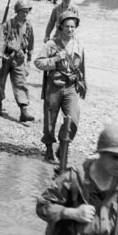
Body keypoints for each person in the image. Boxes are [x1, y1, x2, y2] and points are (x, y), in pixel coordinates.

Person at [34, 10, 86, 163]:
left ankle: (63, 146)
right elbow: (38, 63)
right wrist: (55, 59)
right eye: (67, 26)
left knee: (74, 119)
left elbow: (82, 66)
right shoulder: (51, 45)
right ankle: (49, 150)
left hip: (71, 87)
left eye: (73, 27)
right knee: (50, 119)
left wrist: (83, 83)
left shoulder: (79, 45)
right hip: (54, 85)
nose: (70, 30)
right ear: (61, 27)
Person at [0, 0, 35, 122]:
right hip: (6, 57)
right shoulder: (8, 24)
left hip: (19, 59)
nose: (25, 14)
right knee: (1, 81)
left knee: (21, 82)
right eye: (22, 11)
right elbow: (0, 41)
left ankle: (23, 110)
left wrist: (29, 62)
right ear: (17, 11)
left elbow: (31, 44)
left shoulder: (28, 26)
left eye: (27, 11)